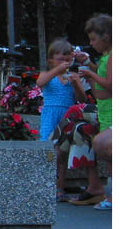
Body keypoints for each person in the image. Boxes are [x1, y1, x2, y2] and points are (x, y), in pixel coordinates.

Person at [35, 38, 95, 202]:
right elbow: (40, 82)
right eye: (60, 60)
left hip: (67, 116)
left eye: (68, 60)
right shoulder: (48, 74)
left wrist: (76, 83)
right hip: (51, 114)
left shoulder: (73, 76)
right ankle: (46, 185)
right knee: (48, 150)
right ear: (51, 60)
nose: (65, 63)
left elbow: (82, 98)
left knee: (62, 154)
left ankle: (60, 187)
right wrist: (57, 70)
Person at [80, 14, 112, 210]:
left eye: (94, 39)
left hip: (113, 112)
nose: (92, 44)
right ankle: (111, 197)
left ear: (106, 37)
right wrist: (90, 67)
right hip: (106, 111)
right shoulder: (106, 57)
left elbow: (111, 84)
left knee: (105, 148)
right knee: (109, 155)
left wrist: (90, 73)